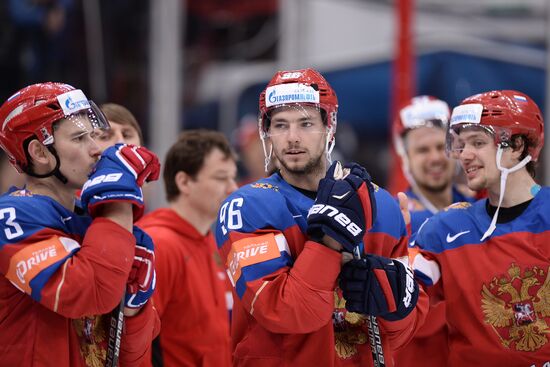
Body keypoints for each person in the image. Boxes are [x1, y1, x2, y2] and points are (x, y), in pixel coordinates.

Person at [215, 68, 427, 366]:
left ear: (330, 125)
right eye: (280, 125)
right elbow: (285, 313)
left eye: (305, 123)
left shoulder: (382, 205)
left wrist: (396, 308)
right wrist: (328, 243)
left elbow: (404, 334)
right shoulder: (246, 207)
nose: (292, 138)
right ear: (267, 132)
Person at [0, 82, 161, 366]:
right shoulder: (11, 216)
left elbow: (132, 359)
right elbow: (88, 293)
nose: (97, 149)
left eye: (94, 136)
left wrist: (134, 309)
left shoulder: (93, 221)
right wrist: (118, 197)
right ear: (38, 152)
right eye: (78, 139)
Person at [411, 90, 550, 366]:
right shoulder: (444, 229)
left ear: (517, 146)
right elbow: (400, 295)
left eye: (477, 142)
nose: (465, 155)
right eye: (461, 144)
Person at [138, 129, 237, 367]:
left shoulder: (211, 241)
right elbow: (137, 340)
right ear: (184, 182)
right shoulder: (159, 244)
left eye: (233, 178)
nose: (233, 188)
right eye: (221, 178)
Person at [392, 96, 475, 367]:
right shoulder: (392, 221)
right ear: (405, 158)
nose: (436, 157)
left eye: (442, 146)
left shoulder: (482, 209)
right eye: (422, 150)